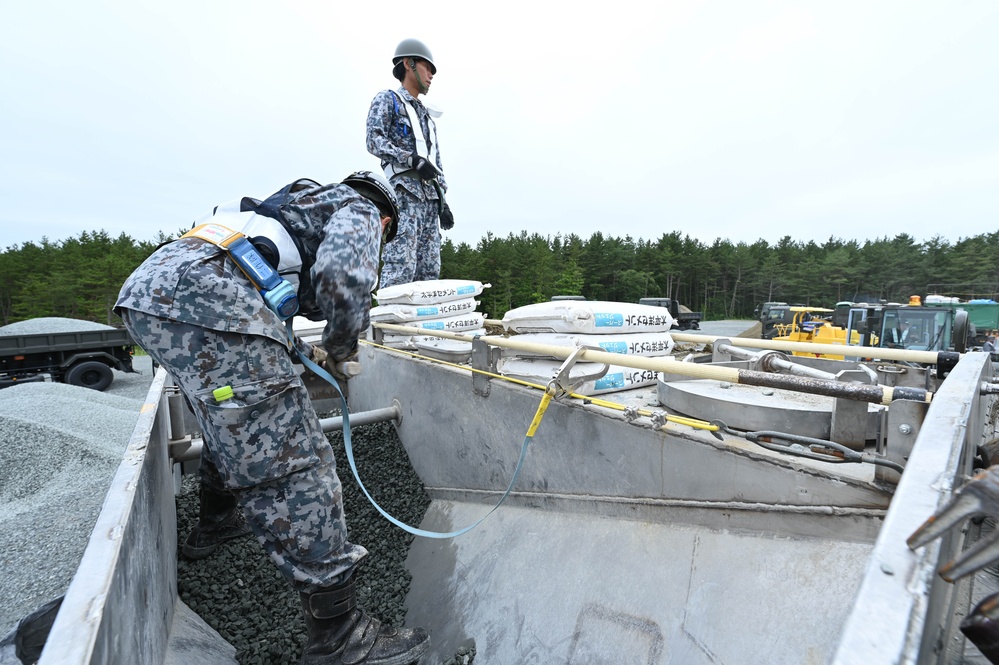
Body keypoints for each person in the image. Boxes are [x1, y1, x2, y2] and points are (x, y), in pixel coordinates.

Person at [114, 173, 430, 665]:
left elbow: (261, 309)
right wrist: (343, 346)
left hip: (152, 296)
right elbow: (343, 279)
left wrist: (308, 353)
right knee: (295, 462)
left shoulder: (287, 210)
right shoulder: (362, 209)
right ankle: (341, 637)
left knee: (235, 418)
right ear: (386, 220)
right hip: (207, 304)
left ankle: (218, 523)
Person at [366, 38, 453, 289]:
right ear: (408, 64)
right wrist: (410, 159)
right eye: (428, 68)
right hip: (404, 196)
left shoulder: (427, 117)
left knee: (429, 273)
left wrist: (444, 203)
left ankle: (422, 329)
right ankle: (391, 326)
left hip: (430, 201)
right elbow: (373, 140)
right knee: (401, 268)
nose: (431, 75)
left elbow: (436, 162)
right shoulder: (388, 100)